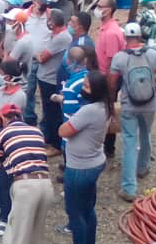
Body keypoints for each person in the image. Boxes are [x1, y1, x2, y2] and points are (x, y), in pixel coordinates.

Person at [0, 103, 53, 244]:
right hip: (46, 186)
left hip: (26, 187)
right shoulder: (37, 131)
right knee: (35, 237)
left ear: (2, 118)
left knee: (15, 237)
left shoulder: (0, 134)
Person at [110, 22, 156, 201]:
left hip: (129, 106)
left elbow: (112, 83)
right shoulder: (153, 54)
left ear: (125, 38)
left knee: (129, 142)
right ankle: (143, 168)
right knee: (146, 134)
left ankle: (129, 188)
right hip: (149, 105)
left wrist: (112, 101)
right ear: (141, 36)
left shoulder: (119, 58)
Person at [57, 71, 112, 244]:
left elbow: (63, 131)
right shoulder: (105, 106)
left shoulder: (89, 110)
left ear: (96, 90)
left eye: (87, 86)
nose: (83, 88)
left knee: (75, 214)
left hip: (80, 167)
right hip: (95, 161)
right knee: (88, 209)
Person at [0, 60, 29, 235]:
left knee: (3, 178)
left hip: (7, 140)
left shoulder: (20, 96)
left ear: (8, 76)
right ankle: (3, 207)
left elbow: (4, 119)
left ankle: (5, 216)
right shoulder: (0, 90)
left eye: (2, 73)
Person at [36, 9, 71, 157]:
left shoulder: (61, 38)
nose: (46, 22)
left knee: (53, 113)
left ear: (53, 22)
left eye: (48, 19)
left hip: (50, 80)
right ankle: (49, 139)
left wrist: (37, 54)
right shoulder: (56, 35)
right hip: (46, 78)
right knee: (48, 112)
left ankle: (55, 145)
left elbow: (42, 57)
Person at [94, 0, 126, 158]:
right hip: (103, 76)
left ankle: (108, 148)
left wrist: (110, 88)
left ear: (109, 10)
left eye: (101, 6)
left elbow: (112, 64)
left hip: (109, 79)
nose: (98, 9)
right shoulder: (105, 28)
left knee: (108, 110)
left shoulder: (112, 33)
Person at [21, 0, 52, 124]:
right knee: (28, 92)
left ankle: (46, 124)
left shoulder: (51, 15)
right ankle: (29, 120)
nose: (44, 5)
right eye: (42, 2)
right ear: (34, 1)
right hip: (30, 61)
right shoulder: (24, 16)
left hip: (47, 61)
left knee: (47, 95)